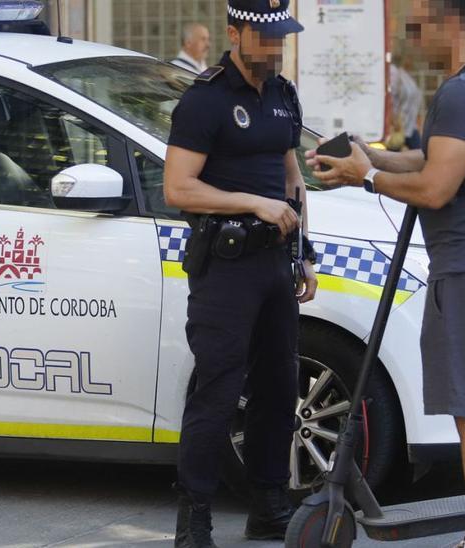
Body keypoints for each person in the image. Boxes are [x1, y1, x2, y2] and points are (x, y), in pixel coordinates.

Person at [308, 1, 465, 546]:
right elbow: (439, 161)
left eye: (415, 25)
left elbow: (436, 189)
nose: (412, 38)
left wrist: (367, 180)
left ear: (443, 20)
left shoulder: (460, 92)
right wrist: (372, 158)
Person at [163, 0, 316, 545]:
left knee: (279, 388)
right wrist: (253, 204)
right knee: (219, 390)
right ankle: (194, 515)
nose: (276, 49)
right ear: (235, 33)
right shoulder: (205, 99)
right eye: (265, 38)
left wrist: (306, 252)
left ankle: (269, 503)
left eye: (282, 38)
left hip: (276, 262)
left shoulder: (282, 93)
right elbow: (178, 187)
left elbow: (291, 177)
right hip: (225, 269)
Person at [389, 58, 425, 150]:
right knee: (419, 153)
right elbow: (391, 96)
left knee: (419, 153)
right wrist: (393, 117)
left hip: (409, 123)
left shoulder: (405, 75)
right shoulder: (394, 72)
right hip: (399, 123)